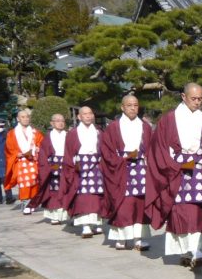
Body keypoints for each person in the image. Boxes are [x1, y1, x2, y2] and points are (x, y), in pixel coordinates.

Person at [145, 83, 202, 269]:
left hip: (200, 171)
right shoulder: (169, 120)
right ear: (183, 97)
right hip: (176, 170)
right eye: (194, 98)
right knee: (180, 211)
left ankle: (195, 250)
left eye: (200, 99)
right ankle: (188, 250)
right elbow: (158, 148)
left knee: (198, 210)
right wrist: (173, 165)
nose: (197, 102)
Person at [100, 94, 152, 251]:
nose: (133, 108)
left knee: (139, 203)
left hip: (141, 169)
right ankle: (121, 237)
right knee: (123, 203)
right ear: (122, 107)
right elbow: (106, 151)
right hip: (121, 168)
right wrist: (121, 159)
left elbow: (152, 149)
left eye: (135, 105)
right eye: (129, 105)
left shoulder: (146, 126)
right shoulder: (113, 127)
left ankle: (138, 238)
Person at [60, 106, 104, 238]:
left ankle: (96, 223)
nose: (88, 116)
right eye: (85, 114)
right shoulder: (73, 133)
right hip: (80, 166)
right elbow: (68, 152)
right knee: (83, 196)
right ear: (79, 117)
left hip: (96, 164)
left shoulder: (99, 132)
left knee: (96, 196)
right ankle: (85, 226)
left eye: (90, 113)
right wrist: (73, 166)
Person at [30, 113, 69, 225]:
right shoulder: (47, 138)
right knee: (54, 190)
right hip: (54, 165)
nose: (60, 123)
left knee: (68, 188)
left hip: (67, 164)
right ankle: (54, 216)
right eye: (57, 120)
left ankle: (67, 214)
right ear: (52, 123)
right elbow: (43, 155)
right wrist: (49, 168)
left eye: (62, 120)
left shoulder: (69, 135)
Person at [4, 109, 43, 214]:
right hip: (21, 161)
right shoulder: (12, 133)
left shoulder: (36, 132)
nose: (26, 119)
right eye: (23, 117)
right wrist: (17, 154)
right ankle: (26, 203)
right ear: (18, 119)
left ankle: (33, 202)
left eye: (27, 117)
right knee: (24, 183)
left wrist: (38, 148)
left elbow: (41, 143)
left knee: (35, 182)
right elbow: (9, 148)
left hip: (34, 160)